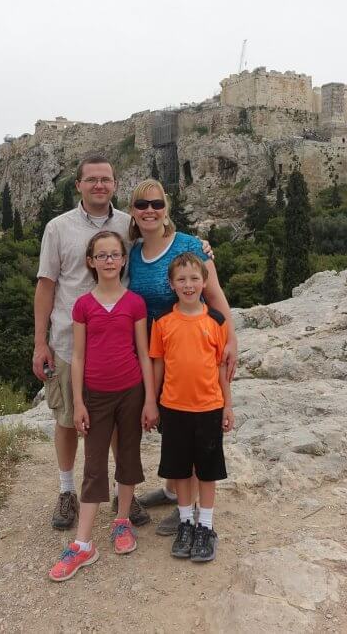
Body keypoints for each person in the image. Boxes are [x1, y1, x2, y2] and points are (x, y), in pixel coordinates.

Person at [33, 154, 150, 530]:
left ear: (115, 184)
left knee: (117, 423)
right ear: (79, 185)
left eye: (106, 179)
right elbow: (46, 284)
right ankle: (67, 491)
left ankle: (122, 494)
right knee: (67, 420)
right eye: (92, 180)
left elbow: (163, 236)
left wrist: (201, 247)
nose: (99, 185)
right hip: (69, 344)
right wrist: (40, 343)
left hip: (117, 347)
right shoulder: (58, 228)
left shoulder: (127, 225)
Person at [125, 179, 238, 536]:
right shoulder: (134, 253)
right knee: (170, 425)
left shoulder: (189, 245)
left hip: (191, 344)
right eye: (142, 205)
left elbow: (215, 295)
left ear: (166, 209)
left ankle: (185, 510)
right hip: (154, 350)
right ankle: (174, 490)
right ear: (133, 211)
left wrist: (231, 338)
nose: (150, 211)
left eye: (157, 204)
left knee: (189, 423)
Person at [47, 231, 158, 581]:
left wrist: (150, 400)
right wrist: (78, 401)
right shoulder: (83, 306)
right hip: (95, 394)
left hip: (131, 392)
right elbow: (77, 357)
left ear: (124, 260)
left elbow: (143, 353)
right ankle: (83, 544)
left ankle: (122, 520)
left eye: (115, 255)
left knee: (127, 455)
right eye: (102, 255)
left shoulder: (135, 303)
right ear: (91, 262)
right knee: (94, 464)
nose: (109, 261)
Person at [150, 252, 233, 563]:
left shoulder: (217, 321)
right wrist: (153, 401)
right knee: (180, 469)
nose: (188, 285)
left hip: (209, 406)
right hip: (173, 407)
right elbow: (157, 364)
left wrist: (228, 406)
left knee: (207, 470)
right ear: (171, 284)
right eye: (181, 279)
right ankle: (185, 523)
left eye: (194, 278)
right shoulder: (163, 323)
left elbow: (222, 367)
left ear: (204, 281)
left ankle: (206, 526)